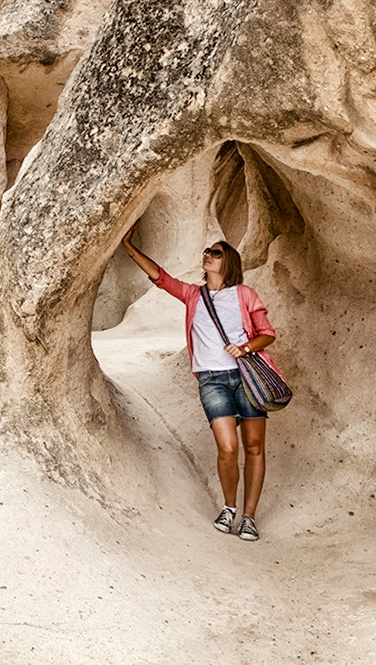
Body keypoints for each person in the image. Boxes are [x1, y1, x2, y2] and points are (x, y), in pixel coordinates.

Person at [120, 224, 279, 541]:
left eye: (215, 253)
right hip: (212, 380)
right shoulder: (194, 295)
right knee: (228, 448)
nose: (208, 255)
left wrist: (245, 347)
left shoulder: (244, 295)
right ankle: (229, 508)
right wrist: (128, 246)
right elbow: (161, 278)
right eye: (207, 252)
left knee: (254, 447)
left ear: (228, 261)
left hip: (245, 376)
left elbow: (267, 333)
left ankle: (249, 517)